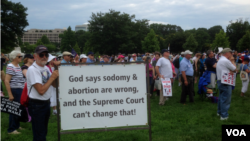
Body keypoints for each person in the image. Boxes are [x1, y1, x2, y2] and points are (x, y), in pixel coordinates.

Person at [27, 45, 59, 140]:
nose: (44, 57)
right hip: (37, 104)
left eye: (46, 55)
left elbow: (53, 85)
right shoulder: (33, 69)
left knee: (43, 131)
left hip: (45, 103)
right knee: (39, 133)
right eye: (41, 55)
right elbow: (41, 90)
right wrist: (52, 77)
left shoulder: (45, 68)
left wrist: (56, 75)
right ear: (35, 56)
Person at [5, 50, 25, 134]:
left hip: (20, 89)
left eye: (21, 56)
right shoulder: (10, 66)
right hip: (15, 90)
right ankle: (11, 129)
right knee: (14, 109)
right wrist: (10, 94)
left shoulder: (18, 65)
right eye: (19, 57)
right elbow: (6, 81)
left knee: (19, 108)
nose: (21, 58)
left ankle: (17, 125)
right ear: (14, 58)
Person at [216, 48, 236, 120]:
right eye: (231, 53)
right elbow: (235, 69)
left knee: (221, 98)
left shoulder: (221, 60)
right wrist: (233, 60)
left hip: (220, 81)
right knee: (226, 99)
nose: (232, 54)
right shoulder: (226, 61)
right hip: (226, 82)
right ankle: (224, 115)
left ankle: (219, 112)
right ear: (227, 53)